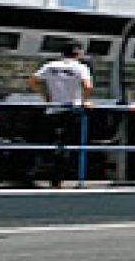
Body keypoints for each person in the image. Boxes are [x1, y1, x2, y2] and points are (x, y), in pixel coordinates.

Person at [29, 43, 93, 187]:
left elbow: (33, 81)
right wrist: (85, 101)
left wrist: (45, 96)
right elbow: (88, 86)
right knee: (69, 145)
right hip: (72, 110)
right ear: (77, 54)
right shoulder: (81, 67)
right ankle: (62, 179)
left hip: (53, 110)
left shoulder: (50, 66)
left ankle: (44, 175)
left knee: (51, 144)